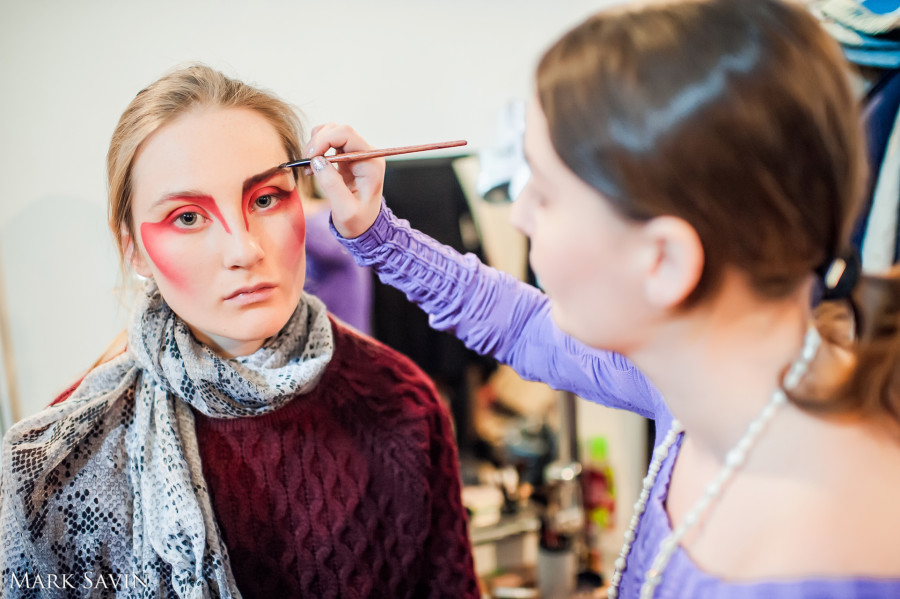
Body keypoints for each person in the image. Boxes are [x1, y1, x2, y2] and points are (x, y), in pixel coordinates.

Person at [305, 0, 900, 597]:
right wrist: (374, 232)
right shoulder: (707, 389)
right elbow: (518, 323)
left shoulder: (817, 563)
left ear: (663, 260)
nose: (520, 214)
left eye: (545, 193)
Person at [0, 64, 478, 599]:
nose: (245, 250)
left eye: (266, 199)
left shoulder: (404, 406)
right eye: (187, 217)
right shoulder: (51, 471)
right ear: (132, 249)